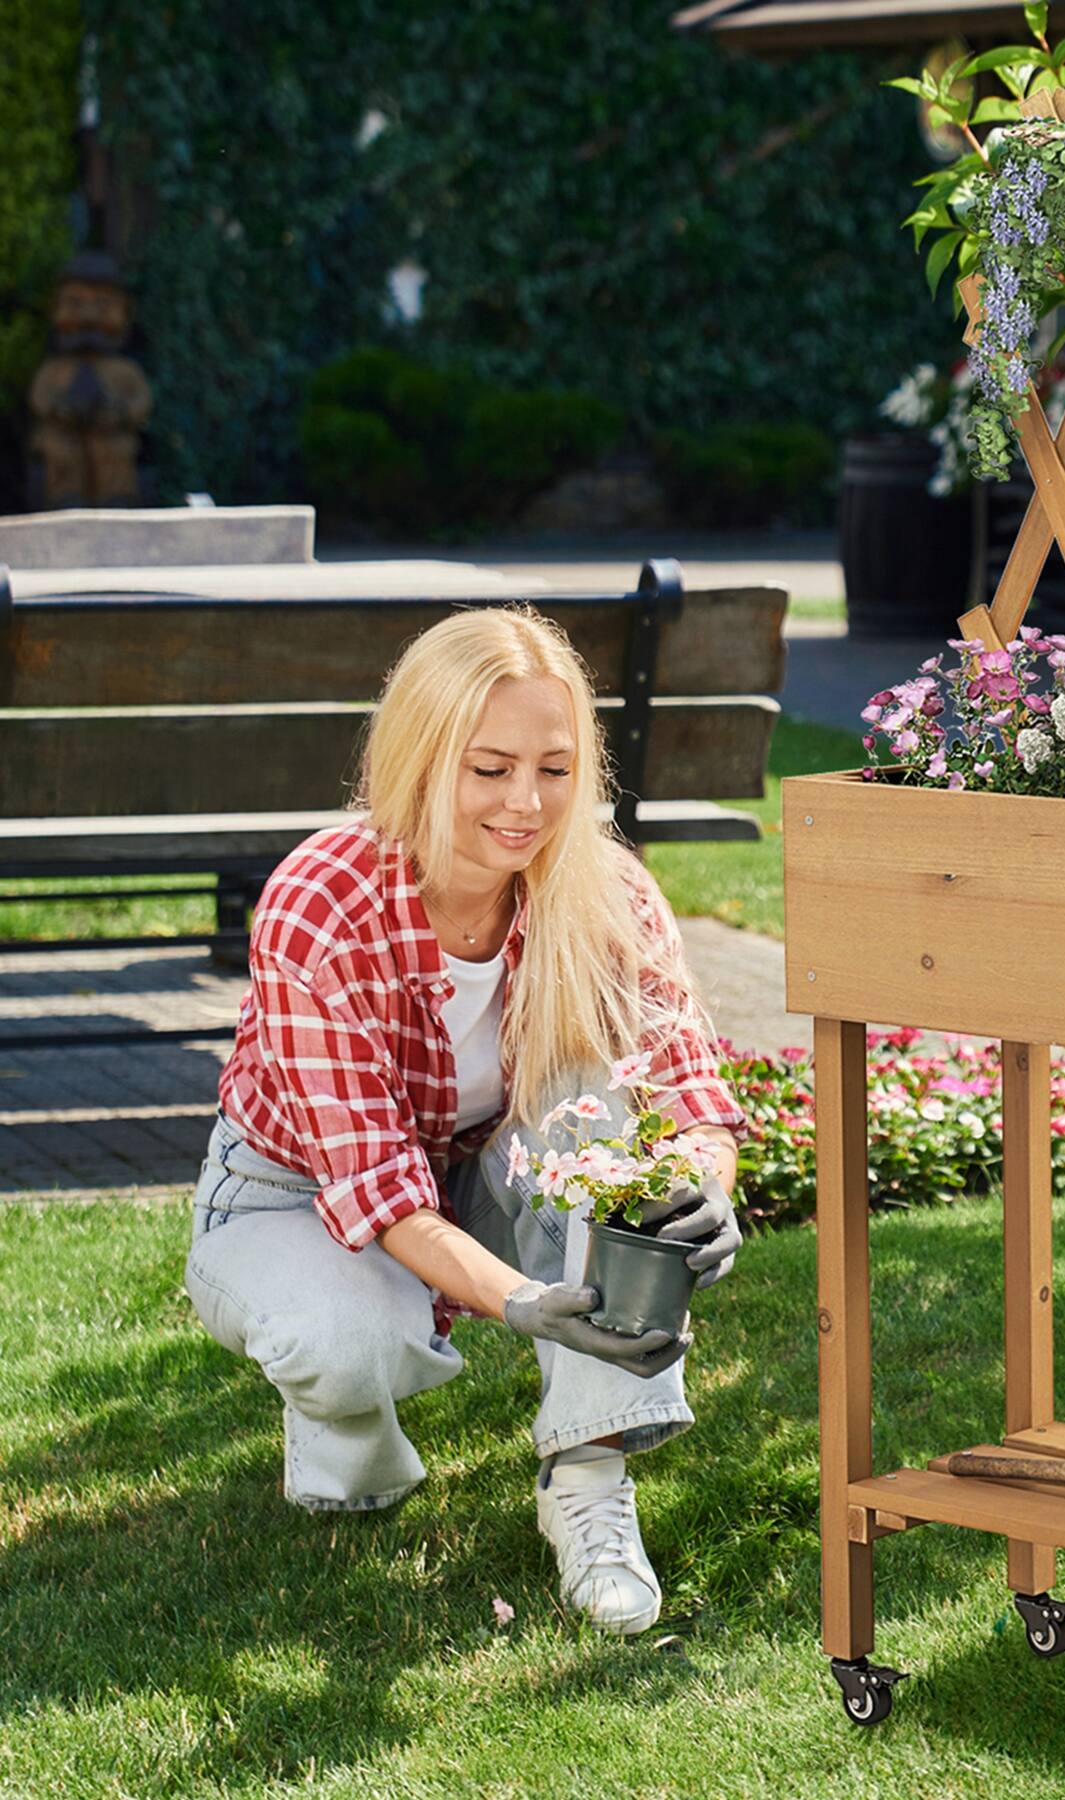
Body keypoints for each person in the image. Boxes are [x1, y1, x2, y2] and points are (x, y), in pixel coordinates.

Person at [182, 605, 747, 1636]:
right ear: (418, 756)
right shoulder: (323, 898)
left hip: (489, 1166)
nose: (525, 804)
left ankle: (587, 1477)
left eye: (553, 767)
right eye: (488, 769)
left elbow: (686, 1087)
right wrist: (525, 1298)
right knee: (346, 1343)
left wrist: (704, 1184)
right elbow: (381, 1186)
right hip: (293, 1195)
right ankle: (345, 1421)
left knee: (601, 1118)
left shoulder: (604, 885)